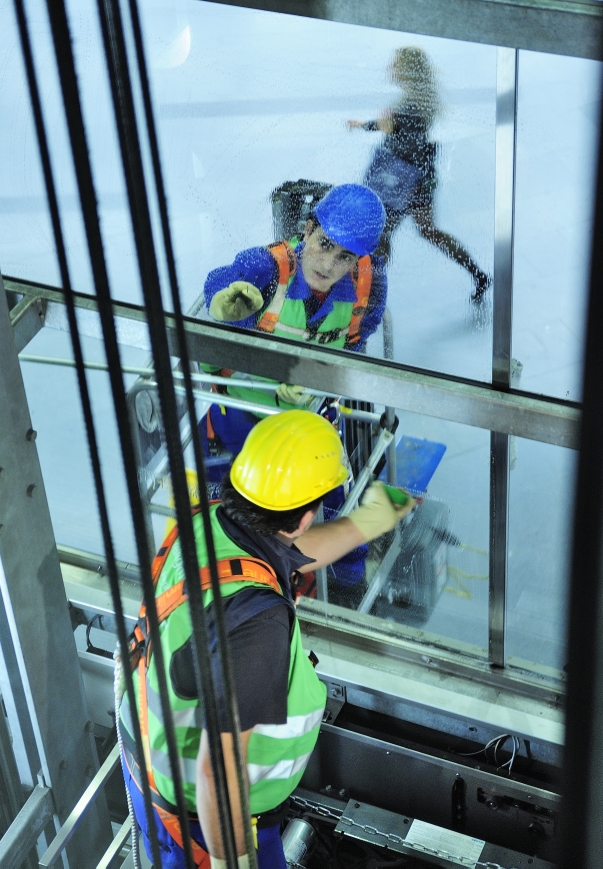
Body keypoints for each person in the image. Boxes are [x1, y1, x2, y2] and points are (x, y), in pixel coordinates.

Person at [118, 410, 415, 868]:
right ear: (305, 515)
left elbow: (292, 551)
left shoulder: (213, 524)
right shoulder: (259, 625)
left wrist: (371, 520)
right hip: (205, 823)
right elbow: (219, 773)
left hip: (153, 771)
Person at [347, 46, 490, 303]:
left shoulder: (411, 103)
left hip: (402, 180)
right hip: (419, 178)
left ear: (407, 70)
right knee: (426, 231)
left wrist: (385, 125)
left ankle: (369, 294)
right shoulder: (419, 98)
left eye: (396, 65)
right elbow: (399, 128)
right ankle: (477, 273)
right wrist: (371, 124)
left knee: (383, 234)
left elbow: (404, 138)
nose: (391, 69)